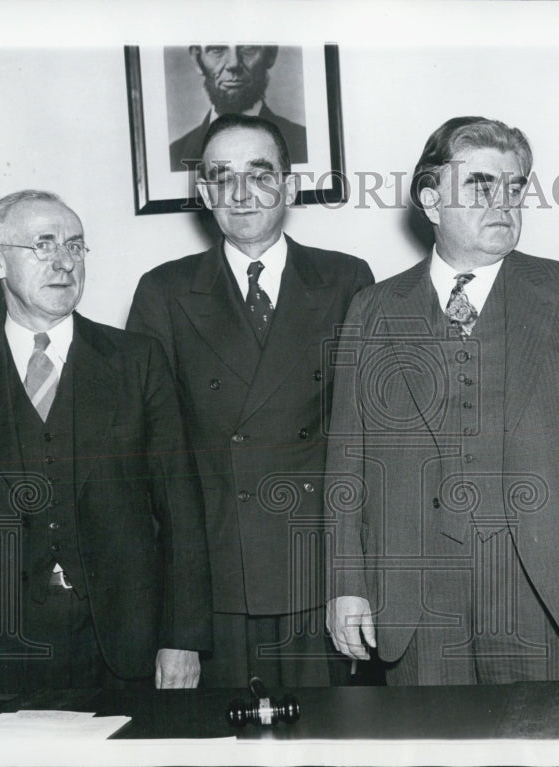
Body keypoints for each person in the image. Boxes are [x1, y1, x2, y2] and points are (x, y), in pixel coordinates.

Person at [325, 116, 559, 685]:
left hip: (546, 590)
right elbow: (347, 461)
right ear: (431, 199)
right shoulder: (374, 308)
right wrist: (346, 584)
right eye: (482, 185)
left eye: (515, 187)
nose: (503, 202)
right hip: (416, 598)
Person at [0, 190, 212, 694]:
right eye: (43, 245)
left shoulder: (137, 360)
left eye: (76, 247)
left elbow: (181, 510)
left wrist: (183, 638)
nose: (64, 262)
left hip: (128, 648)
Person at [128, 114, 374, 688]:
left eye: (260, 174)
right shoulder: (163, 291)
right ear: (205, 192)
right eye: (221, 176)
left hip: (322, 577)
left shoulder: (346, 279)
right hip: (215, 582)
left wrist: (357, 579)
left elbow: (368, 442)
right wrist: (176, 626)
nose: (240, 193)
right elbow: (154, 469)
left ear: (289, 187)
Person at [170, 45, 307, 172]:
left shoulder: (306, 146)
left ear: (270, 53)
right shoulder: (173, 155)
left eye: (248, 48)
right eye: (217, 49)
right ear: (197, 60)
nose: (234, 64)